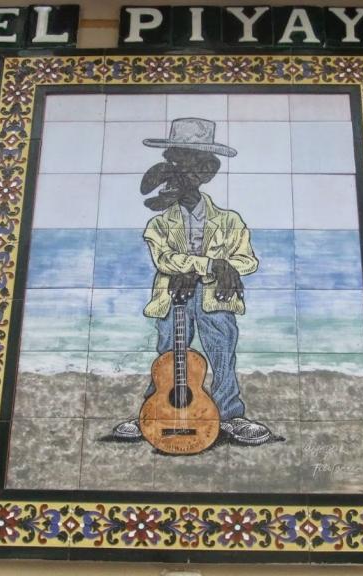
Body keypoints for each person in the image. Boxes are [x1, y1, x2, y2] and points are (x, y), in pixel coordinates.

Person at [110, 118, 273, 446]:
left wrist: (215, 269)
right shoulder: (158, 223)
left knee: (222, 350)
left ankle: (229, 414)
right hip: (172, 296)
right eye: (172, 162)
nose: (174, 172)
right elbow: (165, 259)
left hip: (217, 298)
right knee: (168, 352)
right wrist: (214, 264)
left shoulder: (230, 220)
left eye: (184, 165)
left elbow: (247, 260)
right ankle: (154, 410)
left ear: (205, 172)